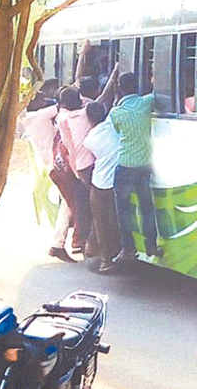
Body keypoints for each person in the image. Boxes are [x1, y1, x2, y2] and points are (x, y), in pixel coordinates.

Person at [56, 64, 120, 258]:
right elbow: (104, 97)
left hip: (77, 167)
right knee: (99, 208)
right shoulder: (83, 115)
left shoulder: (63, 116)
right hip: (87, 167)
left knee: (90, 205)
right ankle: (93, 248)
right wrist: (115, 72)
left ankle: (88, 245)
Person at [109, 71, 162, 263]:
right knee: (146, 206)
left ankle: (128, 248)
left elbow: (117, 131)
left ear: (120, 89)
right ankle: (151, 245)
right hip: (145, 165)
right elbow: (157, 93)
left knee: (123, 210)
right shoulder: (146, 103)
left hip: (125, 166)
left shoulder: (116, 113)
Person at [21, 85, 75, 263]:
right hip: (57, 164)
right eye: (41, 99)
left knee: (68, 203)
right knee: (68, 203)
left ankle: (65, 241)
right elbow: (64, 104)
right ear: (34, 103)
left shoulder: (30, 118)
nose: (45, 101)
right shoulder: (40, 116)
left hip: (52, 163)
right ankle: (58, 244)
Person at [82, 101, 122, 273]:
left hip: (99, 184)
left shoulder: (89, 140)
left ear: (89, 120)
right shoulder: (114, 126)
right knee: (112, 221)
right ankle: (93, 249)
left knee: (101, 222)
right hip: (117, 182)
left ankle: (104, 259)